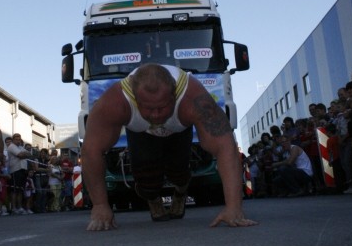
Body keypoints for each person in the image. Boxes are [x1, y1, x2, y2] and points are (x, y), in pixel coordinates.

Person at [81, 63, 257, 231]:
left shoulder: (192, 97)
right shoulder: (116, 102)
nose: (156, 115)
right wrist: (100, 205)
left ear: (173, 96)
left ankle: (181, 191)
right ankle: (153, 197)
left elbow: (226, 146)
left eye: (162, 107)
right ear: (135, 99)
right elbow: (91, 151)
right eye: (149, 108)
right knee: (145, 178)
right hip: (141, 131)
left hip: (178, 128)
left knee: (179, 171)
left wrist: (234, 207)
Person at [7, 133, 33, 214]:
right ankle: (14, 208)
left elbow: (29, 154)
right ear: (13, 139)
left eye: (19, 139)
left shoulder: (21, 147)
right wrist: (24, 155)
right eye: (16, 139)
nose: (18, 141)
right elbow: (20, 155)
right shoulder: (11, 146)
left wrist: (24, 155)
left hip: (22, 170)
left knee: (20, 190)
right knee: (14, 190)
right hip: (15, 170)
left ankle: (20, 207)